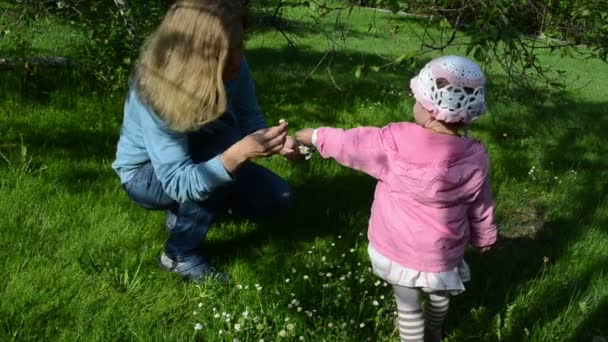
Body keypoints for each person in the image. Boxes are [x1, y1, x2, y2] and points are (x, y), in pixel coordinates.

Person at [296, 55, 497, 342]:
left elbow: (351, 144)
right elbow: (482, 203)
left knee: (408, 307)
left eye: (416, 98)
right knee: (440, 296)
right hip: (442, 251)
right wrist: (485, 236)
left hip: (399, 247)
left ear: (428, 110)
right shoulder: (475, 157)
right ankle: (435, 330)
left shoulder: (393, 141)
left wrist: (316, 136)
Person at [111, 0, 301, 282]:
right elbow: (176, 181)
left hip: (205, 150)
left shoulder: (236, 65)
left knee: (278, 199)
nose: (239, 56)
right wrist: (237, 155)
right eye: (227, 50)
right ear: (197, 55)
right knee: (220, 155)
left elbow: (249, 117)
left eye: (240, 44)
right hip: (146, 175)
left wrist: (274, 141)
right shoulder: (155, 89)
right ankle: (179, 255)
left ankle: (189, 212)